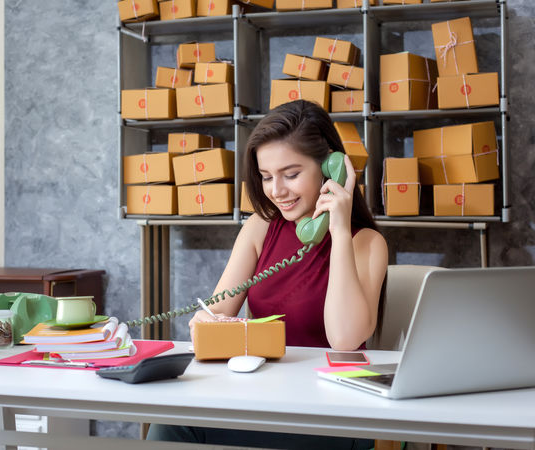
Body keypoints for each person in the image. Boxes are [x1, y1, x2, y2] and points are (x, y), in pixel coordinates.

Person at [146, 100, 388, 448]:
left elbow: (345, 339)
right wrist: (206, 322)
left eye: (291, 174)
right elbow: (217, 312)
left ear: (330, 168)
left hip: (332, 411)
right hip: (262, 397)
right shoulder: (261, 227)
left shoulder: (366, 243)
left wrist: (337, 230)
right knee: (172, 424)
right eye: (266, 177)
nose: (277, 191)